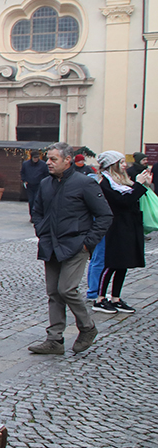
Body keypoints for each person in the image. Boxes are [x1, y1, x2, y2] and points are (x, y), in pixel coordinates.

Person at [28, 142, 112, 355]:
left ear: (68, 160)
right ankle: (54, 339)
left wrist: (88, 242)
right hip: (51, 245)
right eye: (48, 158)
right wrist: (41, 230)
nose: (48, 162)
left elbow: (105, 215)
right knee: (54, 293)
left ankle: (87, 327)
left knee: (67, 289)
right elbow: (36, 211)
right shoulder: (46, 183)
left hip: (76, 245)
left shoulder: (85, 183)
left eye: (53, 159)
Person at [91, 151, 150, 315]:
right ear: (113, 165)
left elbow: (132, 198)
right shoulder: (105, 183)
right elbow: (124, 201)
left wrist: (142, 184)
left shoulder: (122, 181)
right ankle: (100, 298)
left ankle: (116, 298)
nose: (125, 165)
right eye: (121, 162)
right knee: (112, 263)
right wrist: (139, 185)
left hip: (129, 226)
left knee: (123, 263)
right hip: (116, 227)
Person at [21, 150, 49, 223]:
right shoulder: (26, 164)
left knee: (37, 200)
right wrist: (24, 180)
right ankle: (32, 216)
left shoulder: (43, 164)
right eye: (34, 158)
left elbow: (46, 174)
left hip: (39, 185)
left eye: (37, 157)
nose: (36, 159)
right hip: (29, 185)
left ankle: (38, 215)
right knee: (31, 201)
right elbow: (22, 173)